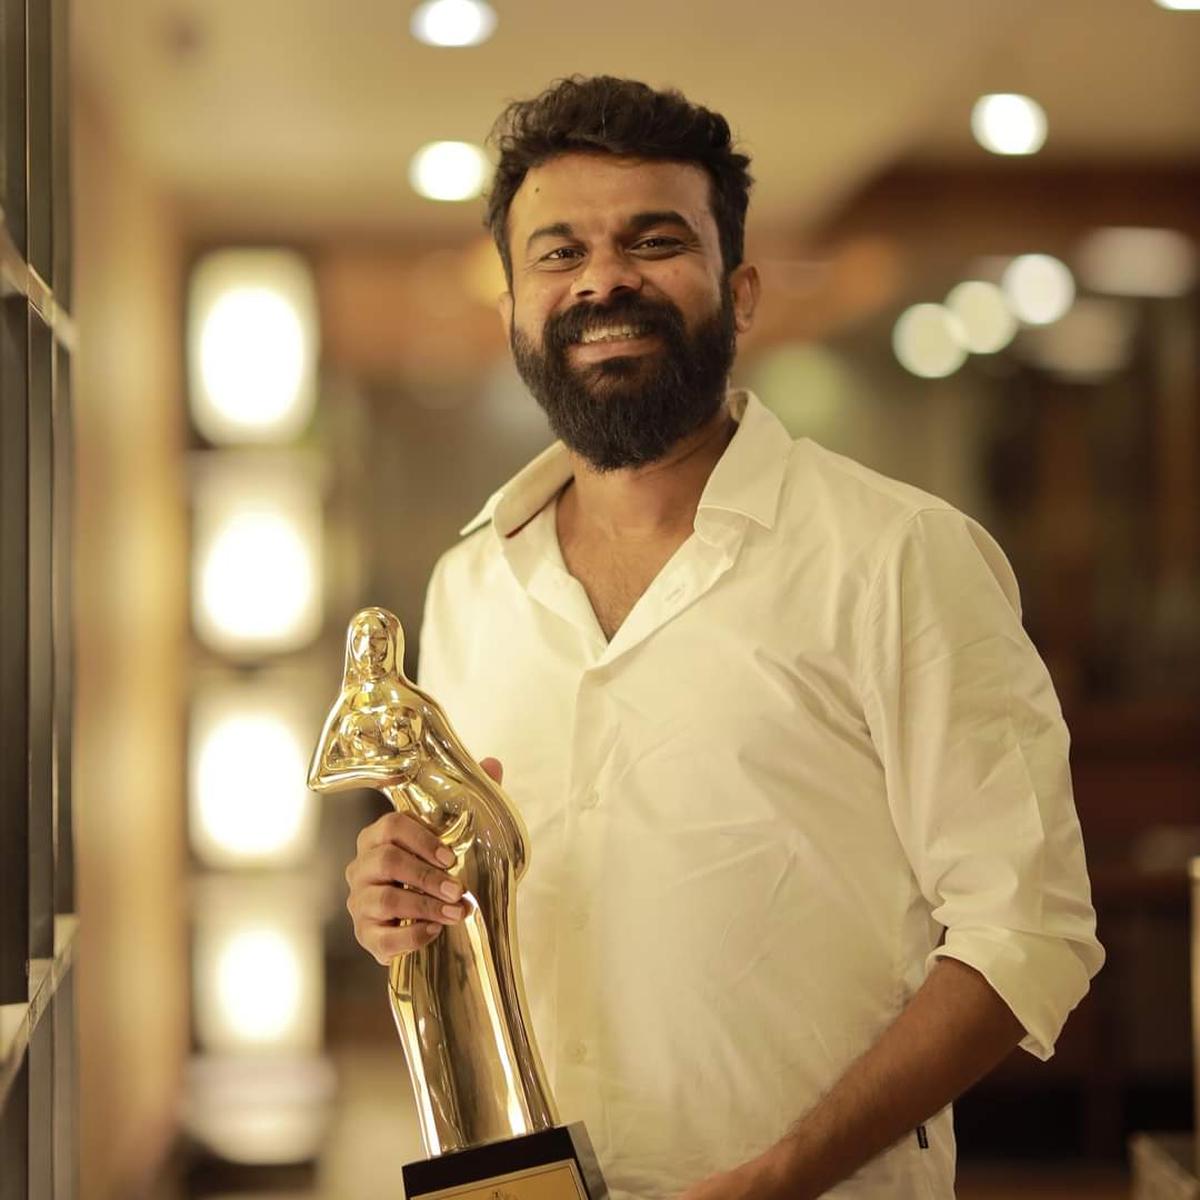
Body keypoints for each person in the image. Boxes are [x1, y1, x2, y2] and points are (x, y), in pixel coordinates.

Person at [343, 76, 1103, 1199]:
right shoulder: (469, 585)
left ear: (739, 291)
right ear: (512, 306)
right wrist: (396, 899)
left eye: (654, 241)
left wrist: (780, 1176)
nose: (604, 277)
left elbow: (1027, 932)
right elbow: (465, 895)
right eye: (559, 253)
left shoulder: (900, 556)